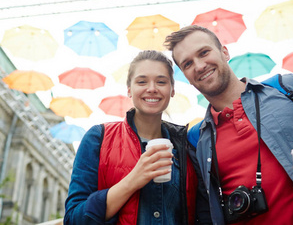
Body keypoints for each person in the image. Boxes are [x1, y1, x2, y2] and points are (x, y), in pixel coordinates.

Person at [164, 25, 293, 225]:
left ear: (225, 52)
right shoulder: (194, 140)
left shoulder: (286, 88)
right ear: (187, 78)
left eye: (204, 53)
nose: (199, 66)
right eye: (188, 64)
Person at [64, 50, 210, 225]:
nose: (152, 88)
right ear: (129, 90)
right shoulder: (98, 138)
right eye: (142, 81)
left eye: (161, 82)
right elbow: (73, 219)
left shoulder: (187, 146)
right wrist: (133, 179)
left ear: (172, 90)